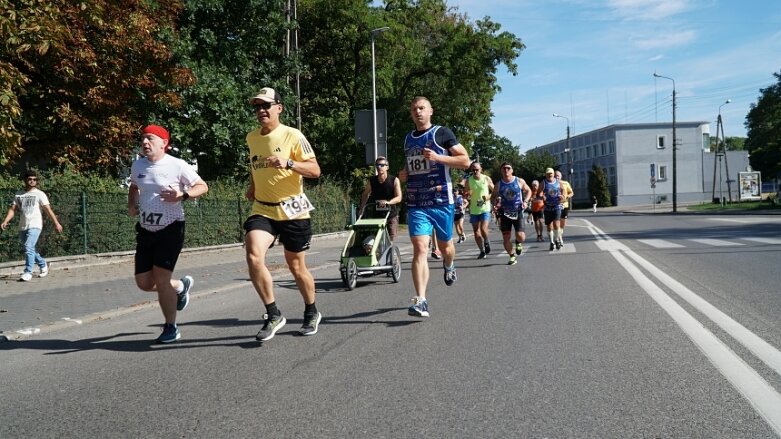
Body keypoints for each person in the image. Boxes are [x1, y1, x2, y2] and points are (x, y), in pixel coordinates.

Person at [244, 87, 322, 341]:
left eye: (266, 105)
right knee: (254, 254)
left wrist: (289, 163)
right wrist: (253, 187)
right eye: (257, 107)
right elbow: (256, 166)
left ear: (279, 108)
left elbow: (315, 170)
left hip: (292, 209)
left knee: (296, 265)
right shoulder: (252, 137)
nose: (261, 111)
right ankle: (273, 313)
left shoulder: (293, 135)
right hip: (263, 208)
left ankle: (311, 311)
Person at [128, 124, 209, 343]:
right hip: (146, 229)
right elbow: (134, 187)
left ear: (164, 143)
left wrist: (182, 195)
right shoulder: (137, 166)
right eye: (143, 138)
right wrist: (132, 204)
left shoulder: (177, 165)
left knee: (161, 279)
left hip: (171, 227)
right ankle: (180, 287)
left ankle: (170, 327)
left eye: (150, 139)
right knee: (144, 283)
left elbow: (202, 186)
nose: (145, 142)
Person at [398, 96, 470, 317]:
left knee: (446, 247)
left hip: (441, 201)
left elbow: (465, 161)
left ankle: (449, 266)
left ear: (431, 111)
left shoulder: (442, 133)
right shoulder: (408, 139)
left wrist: (439, 157)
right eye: (414, 109)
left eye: (421, 108)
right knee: (420, 248)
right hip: (417, 201)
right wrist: (404, 173)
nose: (417, 112)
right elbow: (412, 163)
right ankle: (421, 300)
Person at [1, 170, 63, 281]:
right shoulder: (19, 194)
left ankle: (28, 272)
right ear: (25, 180)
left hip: (35, 224)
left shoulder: (40, 194)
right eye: (30, 179)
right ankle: (43, 263)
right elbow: (12, 209)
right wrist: (6, 221)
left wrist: (56, 223)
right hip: (23, 226)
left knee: (28, 247)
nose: (32, 181)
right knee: (29, 248)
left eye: (34, 179)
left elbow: (48, 210)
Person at [491, 162, 531, 265]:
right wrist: (495, 204)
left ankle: (518, 242)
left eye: (508, 168)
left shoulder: (519, 181)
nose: (506, 170)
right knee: (506, 238)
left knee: (521, 236)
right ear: (501, 171)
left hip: (517, 211)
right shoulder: (499, 184)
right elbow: (493, 197)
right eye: (504, 168)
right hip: (504, 213)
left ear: (512, 170)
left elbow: (528, 191)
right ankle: (512, 256)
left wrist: (526, 201)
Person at [358, 156, 402, 241]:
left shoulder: (394, 180)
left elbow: (399, 197)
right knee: (377, 240)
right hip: (377, 216)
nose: (379, 167)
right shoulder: (372, 180)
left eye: (382, 165)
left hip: (391, 215)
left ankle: (390, 253)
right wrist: (362, 208)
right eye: (377, 165)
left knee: (390, 240)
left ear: (387, 167)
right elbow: (365, 194)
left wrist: (388, 202)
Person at [464, 162, 494, 259]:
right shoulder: (469, 180)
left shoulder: (486, 178)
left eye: (477, 169)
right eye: (473, 170)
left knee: (483, 228)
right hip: (474, 209)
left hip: (485, 208)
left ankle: (486, 240)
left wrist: (487, 198)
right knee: (476, 232)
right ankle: (482, 251)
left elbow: (494, 191)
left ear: (481, 169)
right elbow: (465, 193)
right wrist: (467, 195)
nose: (475, 171)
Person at [539, 168, 563, 251]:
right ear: (545, 174)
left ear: (553, 174)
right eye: (548, 173)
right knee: (549, 226)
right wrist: (542, 196)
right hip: (547, 207)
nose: (550, 175)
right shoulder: (543, 183)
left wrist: (562, 196)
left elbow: (562, 190)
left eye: (551, 173)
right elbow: (539, 192)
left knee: (556, 225)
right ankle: (552, 242)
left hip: (556, 206)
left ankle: (557, 240)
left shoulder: (558, 182)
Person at [555, 170, 574, 245]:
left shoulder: (565, 183)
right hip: (555, 206)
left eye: (558, 176)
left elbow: (572, 193)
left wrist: (567, 196)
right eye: (555, 175)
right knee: (557, 223)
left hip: (564, 205)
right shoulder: (552, 184)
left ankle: (560, 236)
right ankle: (559, 238)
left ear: (561, 176)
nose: (557, 177)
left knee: (562, 224)